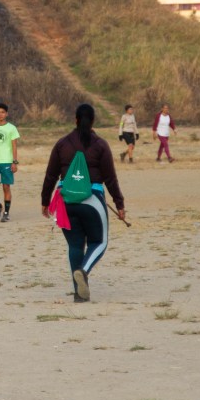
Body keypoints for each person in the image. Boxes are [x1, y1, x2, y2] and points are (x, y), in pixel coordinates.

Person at [40, 103, 126, 303]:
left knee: (75, 246)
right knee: (99, 242)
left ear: (76, 120)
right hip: (92, 201)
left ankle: (79, 293)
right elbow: (110, 178)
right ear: (93, 121)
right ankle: (83, 271)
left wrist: (45, 201)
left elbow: (51, 175)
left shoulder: (62, 144)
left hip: (66, 202)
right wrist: (119, 204)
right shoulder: (100, 145)